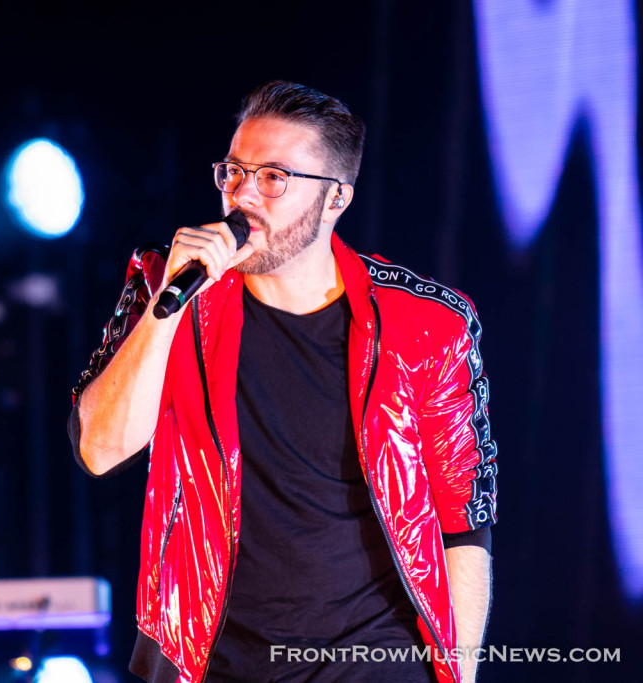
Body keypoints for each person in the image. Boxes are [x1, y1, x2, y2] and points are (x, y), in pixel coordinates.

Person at [69, 81, 496, 683]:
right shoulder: (166, 285)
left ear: (336, 199)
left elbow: (461, 520)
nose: (244, 195)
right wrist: (170, 309)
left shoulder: (428, 323)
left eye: (274, 177)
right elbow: (100, 449)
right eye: (234, 171)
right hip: (207, 656)